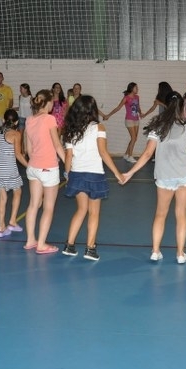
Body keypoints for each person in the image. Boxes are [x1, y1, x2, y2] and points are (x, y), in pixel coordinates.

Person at [121, 91, 186, 264]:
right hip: (185, 176)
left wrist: (129, 173)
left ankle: (155, 251)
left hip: (164, 176)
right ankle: (180, 254)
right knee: (181, 214)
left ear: (166, 106)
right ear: (182, 107)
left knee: (160, 214)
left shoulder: (157, 126)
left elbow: (147, 154)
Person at [61, 95, 125, 261]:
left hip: (77, 174)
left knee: (81, 210)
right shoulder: (99, 127)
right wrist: (117, 173)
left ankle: (69, 245)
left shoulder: (71, 130)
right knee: (94, 213)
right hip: (94, 175)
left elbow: (68, 156)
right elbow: (103, 152)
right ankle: (90, 248)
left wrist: (67, 175)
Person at [24, 89, 66, 254]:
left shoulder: (29, 120)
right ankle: (41, 244)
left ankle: (30, 240)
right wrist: (69, 164)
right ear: (48, 103)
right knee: (48, 207)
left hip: (33, 167)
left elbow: (28, 149)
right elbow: (57, 145)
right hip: (48, 168)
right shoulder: (49, 119)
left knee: (33, 204)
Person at [0, 109, 28, 239]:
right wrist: (29, 166)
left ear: (3, 120)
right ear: (16, 122)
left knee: (2, 198)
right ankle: (12, 221)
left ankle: (1, 227)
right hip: (9, 169)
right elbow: (18, 154)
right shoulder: (16, 134)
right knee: (17, 192)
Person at [104, 82, 142, 163]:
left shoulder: (137, 97)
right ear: (132, 88)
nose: (137, 89)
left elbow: (138, 107)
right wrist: (108, 115)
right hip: (129, 120)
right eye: (136, 88)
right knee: (133, 138)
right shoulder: (126, 98)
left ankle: (126, 155)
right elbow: (118, 108)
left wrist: (141, 113)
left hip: (136, 119)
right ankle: (130, 156)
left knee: (134, 138)